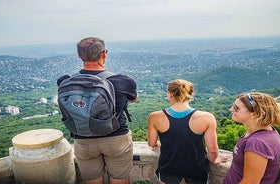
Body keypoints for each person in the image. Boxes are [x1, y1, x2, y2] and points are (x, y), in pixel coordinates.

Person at [57, 37, 139, 184]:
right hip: (116, 138)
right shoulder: (123, 81)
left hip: (83, 140)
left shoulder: (64, 80)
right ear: (104, 54)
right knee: (119, 180)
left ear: (79, 55)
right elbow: (133, 99)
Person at [147, 79, 228, 184]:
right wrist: (215, 160)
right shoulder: (207, 118)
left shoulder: (155, 116)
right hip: (197, 170)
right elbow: (212, 150)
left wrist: (161, 143)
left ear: (169, 94)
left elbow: (151, 143)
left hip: (168, 168)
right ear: (191, 94)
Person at [223, 92, 280, 184]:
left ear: (255, 114)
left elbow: (250, 182)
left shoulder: (258, 143)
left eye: (236, 108)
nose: (231, 109)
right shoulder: (266, 131)